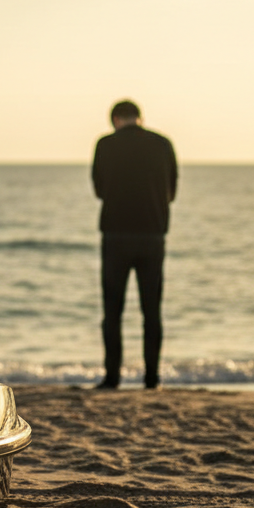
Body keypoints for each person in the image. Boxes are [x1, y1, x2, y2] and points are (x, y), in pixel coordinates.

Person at [91, 100, 177, 390]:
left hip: (116, 235)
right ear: (139, 118)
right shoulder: (163, 144)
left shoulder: (105, 144)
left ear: (115, 119)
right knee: (151, 310)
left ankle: (112, 377)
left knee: (112, 311)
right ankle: (152, 379)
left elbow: (99, 189)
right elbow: (172, 191)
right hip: (152, 235)